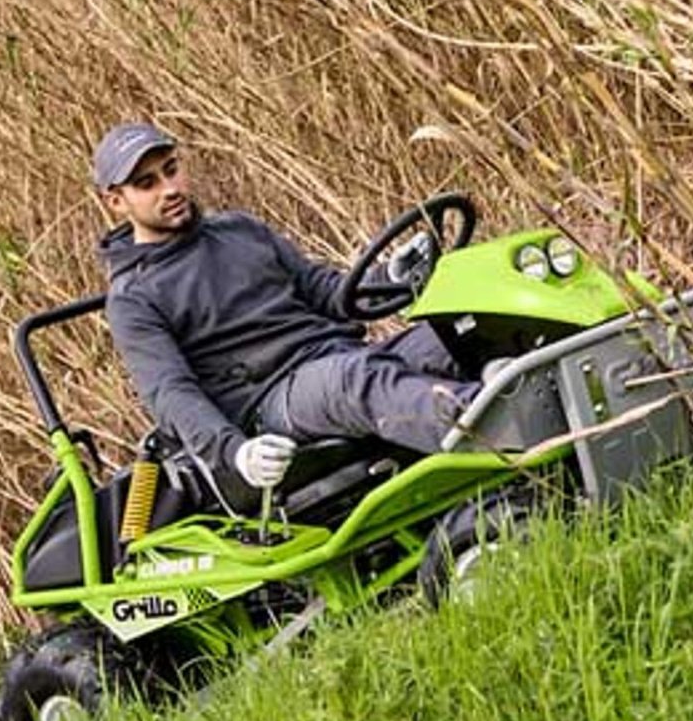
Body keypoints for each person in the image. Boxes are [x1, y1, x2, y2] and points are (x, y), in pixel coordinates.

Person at [93, 122, 478, 497]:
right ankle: (500, 434)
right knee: (353, 380)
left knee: (459, 331)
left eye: (171, 170)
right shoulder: (133, 298)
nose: (170, 188)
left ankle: (517, 405)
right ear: (116, 201)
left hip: (337, 356)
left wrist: (391, 275)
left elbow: (326, 292)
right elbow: (171, 394)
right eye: (147, 184)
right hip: (272, 400)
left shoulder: (239, 230)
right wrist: (233, 452)